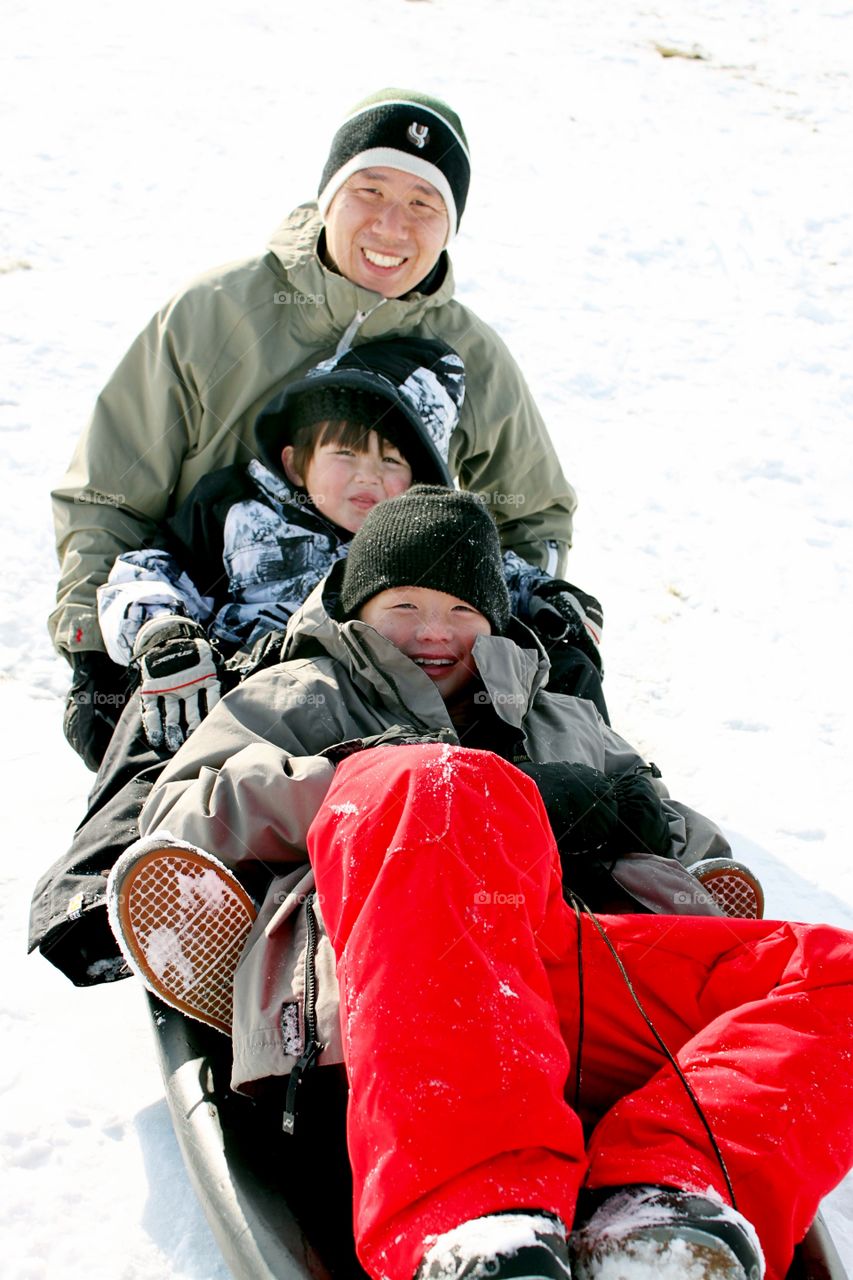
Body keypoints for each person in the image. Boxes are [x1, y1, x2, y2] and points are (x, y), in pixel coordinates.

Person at [103, 487, 838, 1280]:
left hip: (558, 964)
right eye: (403, 604)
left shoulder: (564, 718)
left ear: (492, 620)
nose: (433, 631)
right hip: (396, 962)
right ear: (358, 607)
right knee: (437, 784)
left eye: (460, 608)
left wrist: (634, 824)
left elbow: (693, 843)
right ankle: (478, 1215)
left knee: (833, 969)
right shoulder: (297, 693)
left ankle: (661, 1200)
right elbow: (185, 809)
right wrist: (367, 775)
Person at [29, 342, 605, 988]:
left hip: (381, 695)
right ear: (293, 461)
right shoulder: (233, 510)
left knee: (554, 688)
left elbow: (506, 579)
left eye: (392, 463)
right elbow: (145, 573)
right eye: (346, 455)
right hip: (241, 684)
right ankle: (114, 883)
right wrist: (164, 633)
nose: (368, 478)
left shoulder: (421, 541)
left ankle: (596, 860)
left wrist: (561, 608)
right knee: (160, 715)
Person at [51, 86, 579, 773]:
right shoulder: (213, 313)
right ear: (327, 197)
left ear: (450, 228)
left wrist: (511, 636)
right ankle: (131, 881)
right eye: (370, 190)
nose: (392, 226)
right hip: (208, 639)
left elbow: (531, 514)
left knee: (500, 780)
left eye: (424, 204)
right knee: (164, 791)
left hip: (398, 669)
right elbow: (107, 495)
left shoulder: (470, 355)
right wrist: (99, 649)